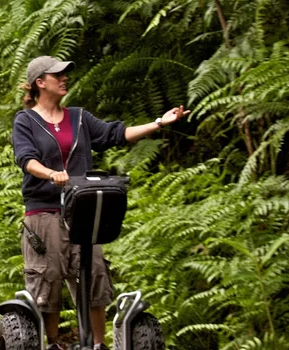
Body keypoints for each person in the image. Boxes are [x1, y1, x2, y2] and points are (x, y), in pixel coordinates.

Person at [12, 56, 189, 350]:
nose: (65, 78)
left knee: (94, 275)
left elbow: (116, 134)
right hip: (43, 211)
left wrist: (159, 122)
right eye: (58, 75)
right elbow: (26, 159)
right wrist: (51, 174)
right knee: (48, 279)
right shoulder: (25, 121)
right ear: (40, 83)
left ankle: (97, 344)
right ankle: (52, 344)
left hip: (81, 210)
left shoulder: (79, 117)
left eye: (65, 73)